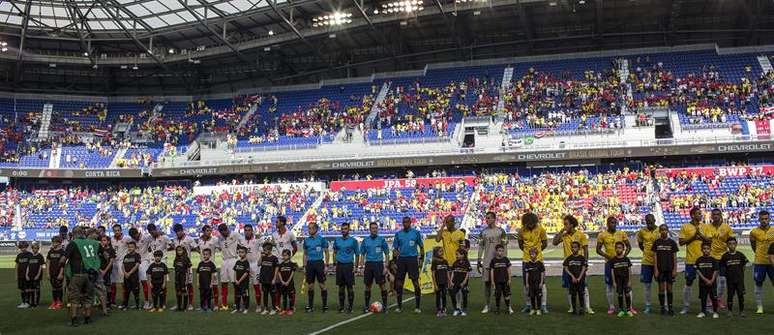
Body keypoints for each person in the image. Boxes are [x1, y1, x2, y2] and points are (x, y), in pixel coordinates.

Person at [552, 214, 593, 314]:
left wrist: (586, 263)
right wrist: (561, 231)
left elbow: (586, 250)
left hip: (579, 265)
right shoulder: (564, 235)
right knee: (569, 287)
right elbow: (554, 242)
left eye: (566, 224)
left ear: (572, 224)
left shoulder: (581, 235)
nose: (564, 226)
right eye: (564, 224)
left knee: (584, 286)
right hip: (568, 265)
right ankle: (572, 307)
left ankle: (587, 307)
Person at [63, 226, 102, 327]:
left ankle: (74, 319)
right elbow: (101, 255)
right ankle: (88, 318)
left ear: (74, 234)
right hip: (90, 275)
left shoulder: (73, 243)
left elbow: (63, 259)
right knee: (88, 297)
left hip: (77, 274)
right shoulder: (93, 243)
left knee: (74, 298)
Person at [678, 207, 711, 314]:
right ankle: (686, 306)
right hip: (691, 260)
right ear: (692, 215)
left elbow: (710, 241)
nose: (700, 215)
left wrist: (700, 235)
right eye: (698, 214)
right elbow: (681, 242)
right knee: (689, 282)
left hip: (704, 260)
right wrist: (693, 236)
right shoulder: (685, 227)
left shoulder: (705, 226)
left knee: (707, 283)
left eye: (700, 213)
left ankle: (707, 307)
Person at [597, 216, 631, 315]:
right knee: (609, 285)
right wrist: (608, 257)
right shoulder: (602, 235)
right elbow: (598, 249)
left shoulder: (621, 233)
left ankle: (630, 307)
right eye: (611, 222)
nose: (613, 224)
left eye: (615, 222)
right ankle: (611, 307)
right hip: (609, 263)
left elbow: (628, 246)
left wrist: (624, 257)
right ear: (607, 224)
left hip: (621, 264)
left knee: (627, 285)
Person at [392, 216, 425, 313]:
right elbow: (395, 249)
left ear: (410, 223)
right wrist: (394, 261)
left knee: (415, 283)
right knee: (399, 283)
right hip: (401, 259)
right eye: (404, 222)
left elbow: (421, 246)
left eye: (407, 222)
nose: (406, 224)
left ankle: (417, 307)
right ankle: (399, 306)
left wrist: (421, 259)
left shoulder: (416, 233)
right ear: (402, 223)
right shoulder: (398, 234)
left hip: (412, 259)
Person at [477, 211, 507, 314]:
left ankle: (503, 305)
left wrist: (504, 259)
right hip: (487, 262)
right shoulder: (483, 232)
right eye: (486, 218)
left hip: (498, 263)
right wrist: (478, 259)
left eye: (489, 218)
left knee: (501, 285)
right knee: (487, 284)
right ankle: (487, 305)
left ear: (494, 219)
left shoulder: (501, 231)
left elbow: (504, 245)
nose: (487, 219)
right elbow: (480, 246)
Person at [518, 212, 547, 314]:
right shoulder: (521, 230)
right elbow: (520, 245)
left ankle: (543, 305)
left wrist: (537, 252)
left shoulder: (541, 229)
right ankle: (528, 305)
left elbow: (545, 243)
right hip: (526, 260)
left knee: (542, 283)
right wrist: (528, 254)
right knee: (526, 283)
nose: (530, 225)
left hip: (538, 260)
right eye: (528, 223)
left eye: (532, 223)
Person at [705, 208, 734, 309]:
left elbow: (731, 242)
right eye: (714, 214)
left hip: (723, 257)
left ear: (721, 215)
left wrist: (731, 255)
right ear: (711, 216)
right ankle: (709, 299)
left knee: (722, 281)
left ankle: (718, 299)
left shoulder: (727, 227)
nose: (716, 216)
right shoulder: (707, 227)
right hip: (711, 258)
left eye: (718, 214)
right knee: (711, 280)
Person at [359, 221, 390, 313]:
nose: (374, 230)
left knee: (382, 285)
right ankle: (366, 306)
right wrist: (361, 267)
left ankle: (385, 307)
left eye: (376, 228)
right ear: (370, 229)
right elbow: (362, 254)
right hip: (369, 265)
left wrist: (386, 266)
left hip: (379, 264)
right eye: (373, 228)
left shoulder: (382, 240)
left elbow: (387, 253)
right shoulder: (365, 240)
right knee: (368, 285)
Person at [139, 224, 170, 310]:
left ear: (156, 229)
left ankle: (163, 302)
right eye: (150, 232)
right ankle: (154, 302)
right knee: (153, 282)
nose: (152, 234)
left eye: (153, 232)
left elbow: (171, 245)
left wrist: (165, 250)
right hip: (152, 261)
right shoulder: (149, 238)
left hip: (162, 260)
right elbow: (141, 239)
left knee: (163, 283)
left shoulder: (164, 237)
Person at [216, 223, 245, 312]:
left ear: (227, 229)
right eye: (222, 232)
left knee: (235, 282)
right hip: (224, 261)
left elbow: (243, 243)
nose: (224, 233)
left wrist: (240, 251)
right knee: (224, 282)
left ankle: (237, 303)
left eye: (225, 230)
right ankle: (224, 304)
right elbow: (218, 248)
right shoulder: (219, 238)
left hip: (234, 260)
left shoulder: (235, 234)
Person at [302, 222, 330, 312]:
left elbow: (326, 252)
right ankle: (310, 306)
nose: (309, 230)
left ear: (315, 229)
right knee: (310, 286)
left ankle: (325, 306)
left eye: (311, 228)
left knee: (322, 285)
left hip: (319, 264)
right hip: (310, 264)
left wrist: (326, 265)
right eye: (308, 228)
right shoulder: (306, 240)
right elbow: (305, 254)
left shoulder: (322, 240)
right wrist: (304, 266)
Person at [749, 210, 773, 314]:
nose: (764, 221)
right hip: (759, 262)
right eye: (762, 219)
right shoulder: (754, 232)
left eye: (766, 219)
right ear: (758, 219)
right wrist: (759, 254)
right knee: (758, 283)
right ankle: (759, 306)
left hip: (772, 262)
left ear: (770, 219)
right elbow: (753, 246)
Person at [651, 224, 678, 315]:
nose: (663, 231)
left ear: (668, 230)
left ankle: (670, 308)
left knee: (670, 289)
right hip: (660, 269)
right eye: (662, 230)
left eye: (665, 230)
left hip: (670, 269)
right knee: (661, 289)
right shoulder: (657, 242)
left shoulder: (672, 242)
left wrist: (675, 269)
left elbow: (675, 257)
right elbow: (655, 256)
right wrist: (655, 269)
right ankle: (662, 308)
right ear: (659, 231)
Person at [334, 222, 359, 314]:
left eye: (345, 228)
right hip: (340, 265)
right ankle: (341, 307)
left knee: (350, 287)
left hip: (349, 265)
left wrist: (356, 266)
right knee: (341, 287)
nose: (343, 230)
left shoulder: (353, 241)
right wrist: (334, 263)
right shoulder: (337, 240)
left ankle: (350, 307)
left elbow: (357, 254)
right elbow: (335, 252)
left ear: (349, 229)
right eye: (342, 229)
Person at [636, 213, 659, 314]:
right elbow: (641, 244)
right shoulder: (642, 231)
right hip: (646, 262)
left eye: (651, 222)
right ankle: (648, 306)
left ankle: (664, 305)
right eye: (647, 223)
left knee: (661, 284)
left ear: (654, 220)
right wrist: (646, 252)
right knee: (647, 285)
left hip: (659, 262)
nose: (649, 224)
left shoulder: (660, 230)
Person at [170, 223, 196, 311]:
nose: (177, 233)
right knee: (178, 285)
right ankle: (178, 304)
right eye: (176, 232)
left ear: (182, 230)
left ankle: (190, 304)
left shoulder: (189, 239)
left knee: (189, 285)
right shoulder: (175, 240)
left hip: (187, 266)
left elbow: (196, 248)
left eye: (179, 231)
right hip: (178, 266)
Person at [720, 237, 748, 317]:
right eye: (730, 244)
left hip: (739, 279)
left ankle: (742, 311)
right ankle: (729, 311)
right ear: (727, 245)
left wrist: (740, 274)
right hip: (730, 280)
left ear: (736, 244)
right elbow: (722, 267)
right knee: (730, 295)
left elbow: (744, 264)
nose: (732, 245)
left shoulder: (740, 255)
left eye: (733, 244)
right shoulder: (725, 256)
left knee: (740, 295)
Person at [196, 225, 220, 310]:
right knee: (203, 287)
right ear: (203, 231)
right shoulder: (199, 240)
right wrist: (201, 255)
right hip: (203, 267)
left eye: (210, 230)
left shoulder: (214, 240)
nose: (209, 232)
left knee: (214, 285)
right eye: (207, 231)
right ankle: (204, 305)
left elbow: (220, 247)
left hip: (212, 266)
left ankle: (216, 304)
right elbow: (197, 248)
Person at [243, 224, 265, 312]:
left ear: (252, 231)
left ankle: (259, 305)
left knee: (256, 286)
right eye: (246, 230)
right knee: (245, 287)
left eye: (249, 230)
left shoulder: (257, 240)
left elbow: (265, 246)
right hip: (245, 265)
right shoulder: (242, 241)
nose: (247, 232)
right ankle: (245, 305)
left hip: (255, 266)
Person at [609, 242, 633, 317]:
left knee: (627, 294)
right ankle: (621, 310)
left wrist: (629, 280)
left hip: (626, 280)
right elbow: (612, 271)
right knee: (620, 294)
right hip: (618, 280)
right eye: (617, 248)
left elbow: (629, 270)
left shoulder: (626, 259)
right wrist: (614, 282)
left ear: (623, 249)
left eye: (620, 248)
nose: (618, 249)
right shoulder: (613, 260)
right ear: (615, 249)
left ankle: (629, 310)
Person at [695, 243, 719, 318]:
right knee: (703, 298)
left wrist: (711, 280)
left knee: (714, 298)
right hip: (703, 283)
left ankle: (715, 312)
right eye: (704, 249)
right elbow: (697, 271)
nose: (706, 250)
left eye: (708, 249)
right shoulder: (699, 260)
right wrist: (705, 280)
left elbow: (716, 271)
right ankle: (703, 312)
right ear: (701, 250)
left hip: (712, 283)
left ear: (710, 250)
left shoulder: (713, 260)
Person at [110, 224, 131, 308]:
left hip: (122, 262)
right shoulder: (111, 239)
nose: (117, 232)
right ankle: (112, 301)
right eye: (115, 230)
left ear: (121, 230)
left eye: (118, 230)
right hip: (113, 262)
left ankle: (124, 301)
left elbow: (133, 246)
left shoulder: (127, 238)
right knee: (112, 283)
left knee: (123, 283)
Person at [563, 241, 587, 315]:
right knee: (573, 294)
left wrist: (579, 278)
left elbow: (584, 268)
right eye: (572, 247)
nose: (574, 249)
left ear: (579, 248)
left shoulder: (582, 258)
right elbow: (566, 268)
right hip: (572, 280)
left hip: (580, 280)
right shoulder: (569, 258)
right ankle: (573, 309)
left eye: (575, 247)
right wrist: (572, 276)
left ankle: (582, 308)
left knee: (581, 294)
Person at [489, 244, 511, 315]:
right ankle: (497, 309)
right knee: (498, 295)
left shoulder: (506, 259)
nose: (500, 252)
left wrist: (509, 279)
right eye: (499, 251)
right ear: (496, 251)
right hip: (497, 281)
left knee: (506, 295)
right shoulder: (493, 260)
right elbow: (492, 271)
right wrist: (492, 281)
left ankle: (508, 308)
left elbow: (509, 270)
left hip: (505, 281)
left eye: (502, 251)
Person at [96, 235, 115, 315]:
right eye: (102, 240)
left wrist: (105, 271)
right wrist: (99, 269)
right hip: (99, 270)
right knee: (100, 287)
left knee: (108, 286)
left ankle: (109, 302)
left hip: (107, 270)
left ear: (108, 241)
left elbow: (111, 261)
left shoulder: (111, 250)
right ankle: (101, 303)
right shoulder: (98, 249)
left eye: (104, 240)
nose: (103, 242)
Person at [259, 242, 279, 315]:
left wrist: (274, 279)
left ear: (270, 250)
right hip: (264, 279)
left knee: (272, 294)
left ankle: (274, 308)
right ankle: (265, 309)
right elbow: (258, 264)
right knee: (265, 294)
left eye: (265, 250)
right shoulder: (263, 257)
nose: (264, 251)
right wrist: (261, 257)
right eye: (263, 250)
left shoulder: (274, 258)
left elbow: (277, 269)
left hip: (271, 279)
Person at [450, 248, 471, 316]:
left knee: (464, 295)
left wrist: (464, 282)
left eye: (457, 254)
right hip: (455, 282)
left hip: (463, 283)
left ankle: (464, 310)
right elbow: (453, 272)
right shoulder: (455, 263)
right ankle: (456, 309)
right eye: (456, 254)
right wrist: (451, 281)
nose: (456, 256)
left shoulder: (467, 263)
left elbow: (468, 273)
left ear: (463, 255)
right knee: (453, 294)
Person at [121, 241, 141, 310]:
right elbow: (123, 265)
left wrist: (129, 273)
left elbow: (137, 265)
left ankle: (137, 305)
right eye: (129, 247)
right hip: (126, 277)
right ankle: (125, 305)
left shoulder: (137, 255)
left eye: (132, 247)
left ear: (135, 248)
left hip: (134, 277)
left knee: (136, 292)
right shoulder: (126, 256)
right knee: (126, 292)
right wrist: (125, 273)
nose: (130, 248)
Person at [524, 248, 545, 316]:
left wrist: (541, 282)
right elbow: (527, 274)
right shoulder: (528, 264)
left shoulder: (540, 264)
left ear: (536, 254)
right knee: (532, 296)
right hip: (531, 284)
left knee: (538, 296)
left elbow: (542, 273)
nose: (532, 255)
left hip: (538, 283)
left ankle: (538, 309)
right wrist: (527, 283)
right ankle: (533, 309)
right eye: (531, 254)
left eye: (533, 254)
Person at [47, 236, 66, 310]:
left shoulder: (62, 252)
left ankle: (59, 302)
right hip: (52, 272)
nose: (53, 244)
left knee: (59, 287)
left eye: (55, 242)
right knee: (53, 288)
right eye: (53, 242)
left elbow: (63, 264)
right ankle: (54, 302)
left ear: (59, 243)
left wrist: (61, 273)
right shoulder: (50, 251)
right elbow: (48, 262)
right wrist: (48, 273)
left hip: (59, 273)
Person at [277, 249, 298, 316]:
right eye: (283, 255)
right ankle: (284, 310)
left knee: (291, 297)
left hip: (290, 283)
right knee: (284, 297)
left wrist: (288, 281)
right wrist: (282, 281)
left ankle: (291, 309)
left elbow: (292, 273)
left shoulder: (292, 264)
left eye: (285, 255)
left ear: (289, 256)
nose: (284, 257)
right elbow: (279, 272)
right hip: (283, 284)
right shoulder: (281, 264)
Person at [431, 247, 450, 317]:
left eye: (442, 251)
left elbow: (447, 272)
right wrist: (435, 284)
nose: (442, 253)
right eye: (440, 251)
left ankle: (444, 309)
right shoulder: (434, 262)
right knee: (438, 296)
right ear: (436, 253)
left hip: (445, 282)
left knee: (444, 295)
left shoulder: (445, 261)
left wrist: (450, 281)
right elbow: (433, 274)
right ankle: (438, 310)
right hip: (438, 282)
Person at [173, 245, 192, 312]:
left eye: (180, 250)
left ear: (183, 251)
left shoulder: (186, 258)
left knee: (184, 292)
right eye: (178, 250)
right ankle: (179, 307)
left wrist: (187, 279)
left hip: (184, 278)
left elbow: (188, 269)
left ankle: (184, 307)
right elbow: (175, 269)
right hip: (177, 278)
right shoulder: (176, 259)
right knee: (178, 292)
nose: (179, 252)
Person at [26, 242, 45, 308]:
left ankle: (36, 303)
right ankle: (32, 302)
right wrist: (26, 275)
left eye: (36, 248)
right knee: (31, 290)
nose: (35, 249)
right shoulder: (30, 256)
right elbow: (28, 266)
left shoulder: (40, 256)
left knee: (37, 289)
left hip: (37, 276)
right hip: (30, 276)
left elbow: (40, 267)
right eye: (34, 248)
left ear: (38, 249)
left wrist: (38, 275)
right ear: (32, 249)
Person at [233, 247, 251, 314]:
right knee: (237, 295)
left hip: (244, 283)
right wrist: (235, 280)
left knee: (245, 295)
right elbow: (235, 271)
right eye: (239, 252)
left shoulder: (246, 262)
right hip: (237, 283)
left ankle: (246, 308)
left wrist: (239, 281)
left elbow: (246, 273)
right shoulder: (237, 262)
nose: (240, 254)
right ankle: (237, 308)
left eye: (242, 252)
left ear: (246, 253)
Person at [15, 241, 32, 309]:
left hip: (27, 276)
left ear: (27, 247)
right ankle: (23, 302)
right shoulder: (19, 255)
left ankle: (27, 303)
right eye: (21, 247)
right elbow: (17, 265)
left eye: (24, 247)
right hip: (20, 275)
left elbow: (30, 265)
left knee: (27, 289)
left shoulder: (29, 254)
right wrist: (16, 275)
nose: (23, 249)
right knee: (22, 289)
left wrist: (28, 274)